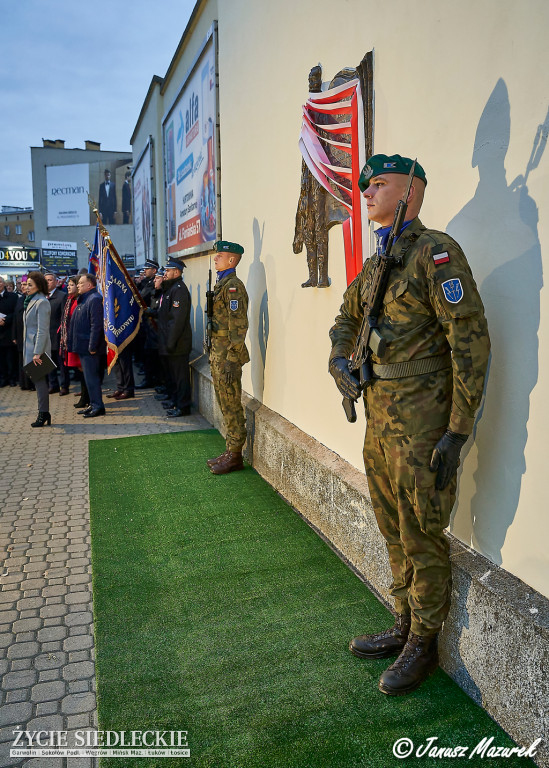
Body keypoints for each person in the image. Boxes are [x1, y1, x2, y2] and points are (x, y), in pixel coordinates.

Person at [328, 154, 491, 695]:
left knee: (421, 530)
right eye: (366, 185)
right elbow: (347, 319)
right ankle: (403, 621)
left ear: (410, 193)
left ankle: (425, 639)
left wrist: (458, 430)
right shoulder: (379, 263)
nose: (367, 193)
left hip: (423, 422)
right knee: (391, 524)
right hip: (380, 417)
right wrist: (339, 362)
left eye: (380, 184)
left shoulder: (433, 254)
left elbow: (469, 342)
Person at [206, 240, 250, 475]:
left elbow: (239, 325)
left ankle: (235, 455)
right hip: (218, 353)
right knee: (224, 402)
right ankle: (230, 449)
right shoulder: (222, 284)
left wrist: (233, 358)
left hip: (227, 356)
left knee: (231, 404)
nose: (216, 258)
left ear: (232, 260)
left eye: (220, 255)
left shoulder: (233, 287)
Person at [157, 258, 192, 417]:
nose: (165, 274)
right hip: (170, 342)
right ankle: (175, 401)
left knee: (180, 378)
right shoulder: (171, 289)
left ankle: (183, 406)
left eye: (168, 271)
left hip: (178, 343)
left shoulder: (179, 290)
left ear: (176, 272)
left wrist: (170, 342)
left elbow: (177, 320)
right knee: (173, 376)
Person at [71, 273, 106, 417]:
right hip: (82, 346)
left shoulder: (94, 299)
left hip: (89, 347)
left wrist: (92, 346)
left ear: (89, 285)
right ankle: (92, 404)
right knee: (88, 379)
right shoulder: (83, 299)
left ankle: (98, 406)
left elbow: (96, 325)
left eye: (80, 283)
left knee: (92, 378)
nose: (77, 285)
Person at [23, 272, 52, 427]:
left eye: (30, 285)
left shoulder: (42, 302)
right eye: (26, 284)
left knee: (40, 382)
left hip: (37, 350)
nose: (27, 288)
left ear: (38, 286)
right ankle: (43, 412)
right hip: (30, 348)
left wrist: (37, 352)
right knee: (37, 381)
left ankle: (43, 413)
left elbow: (43, 330)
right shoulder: (31, 301)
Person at [60, 275, 88, 408]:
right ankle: (84, 395)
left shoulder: (79, 301)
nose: (68, 287)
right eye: (68, 285)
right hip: (71, 339)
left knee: (83, 369)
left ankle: (86, 397)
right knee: (79, 369)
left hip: (78, 339)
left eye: (71, 285)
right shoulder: (69, 300)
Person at [44, 272, 68, 395]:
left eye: (49, 280)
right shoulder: (40, 296)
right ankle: (53, 384)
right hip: (45, 335)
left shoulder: (61, 296)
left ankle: (64, 385)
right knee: (48, 362)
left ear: (55, 282)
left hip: (57, 335)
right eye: (45, 280)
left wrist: (63, 334)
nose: (47, 282)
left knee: (61, 363)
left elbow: (65, 317)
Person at [0, 275, 18, 387]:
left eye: (0, 282)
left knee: (10, 358)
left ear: (4, 284)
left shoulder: (13, 296)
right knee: (0, 359)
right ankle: (3, 378)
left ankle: (12, 378)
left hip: (9, 332)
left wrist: (5, 320)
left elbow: (16, 312)